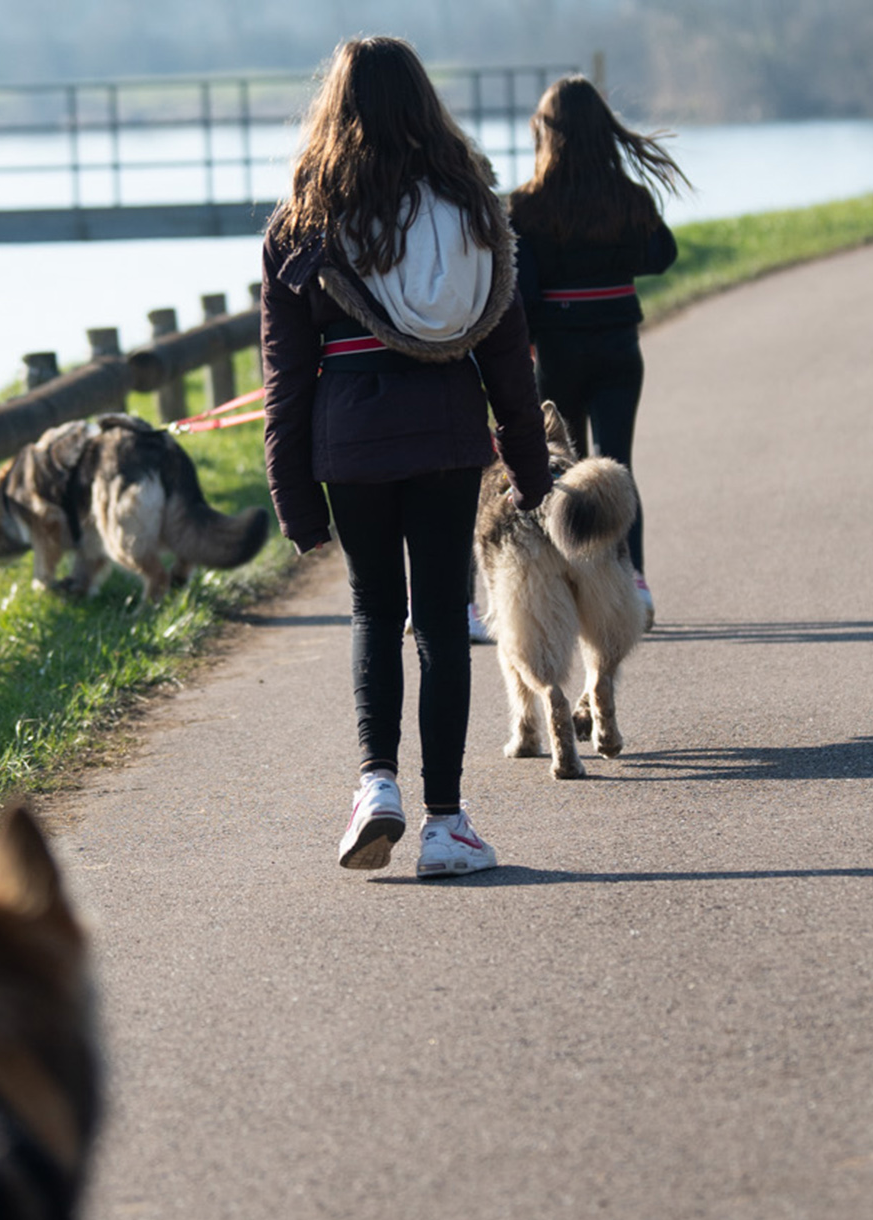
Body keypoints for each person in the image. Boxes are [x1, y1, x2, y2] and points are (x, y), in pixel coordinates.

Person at [261, 36, 554, 878]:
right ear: (423, 105)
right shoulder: (471, 211)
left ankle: (375, 786)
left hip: (348, 439)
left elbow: (285, 380)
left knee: (372, 612)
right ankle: (447, 823)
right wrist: (532, 471)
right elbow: (506, 351)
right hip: (445, 431)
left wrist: (293, 495)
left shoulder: (303, 223)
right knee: (440, 624)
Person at [508, 75, 688, 629]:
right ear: (603, 134)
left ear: (547, 134)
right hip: (617, 351)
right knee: (617, 469)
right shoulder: (627, 198)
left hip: (557, 354)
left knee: (564, 471)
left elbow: (525, 293)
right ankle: (632, 583)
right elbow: (662, 255)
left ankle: (576, 585)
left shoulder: (527, 207)